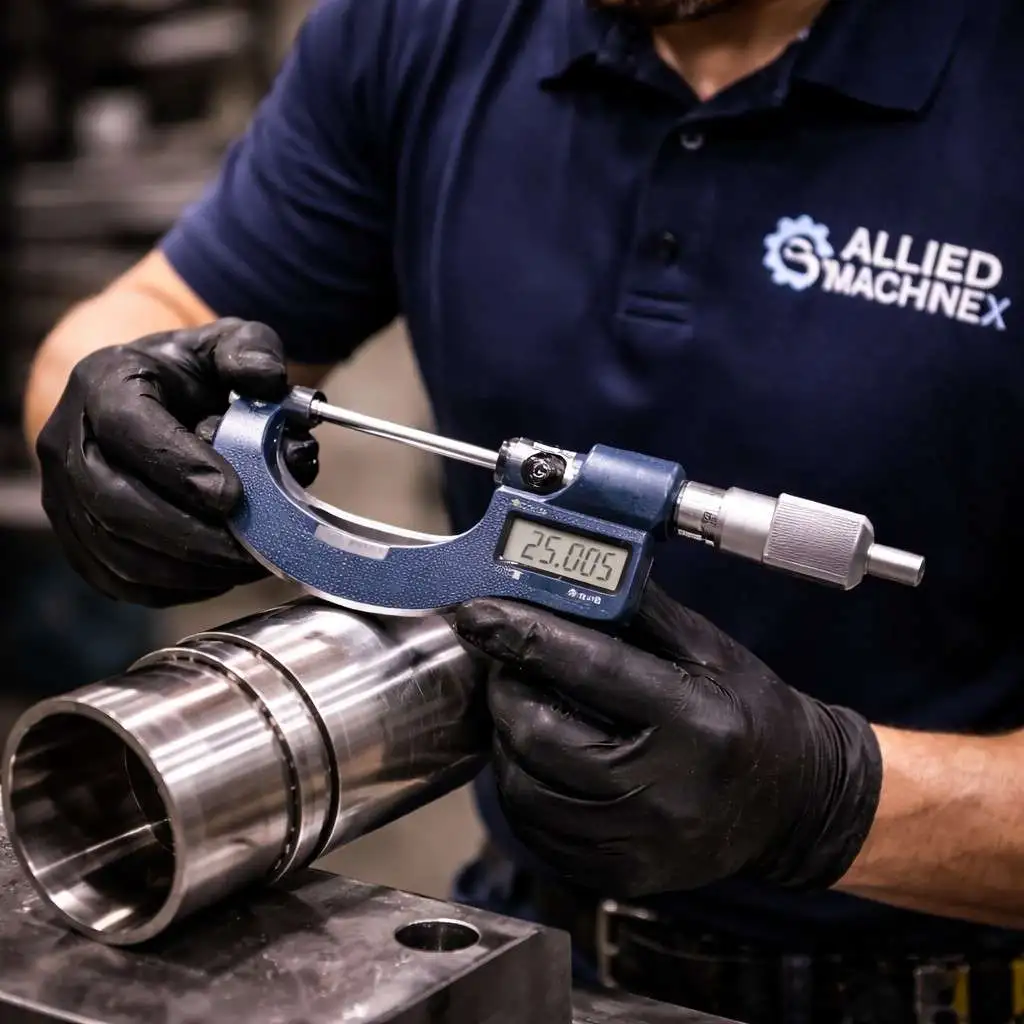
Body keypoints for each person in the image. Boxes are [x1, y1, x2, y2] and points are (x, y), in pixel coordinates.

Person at [21, 0, 1024, 1020]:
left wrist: (832, 801)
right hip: (531, 949)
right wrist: (107, 421)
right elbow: (153, 314)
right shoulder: (427, 25)